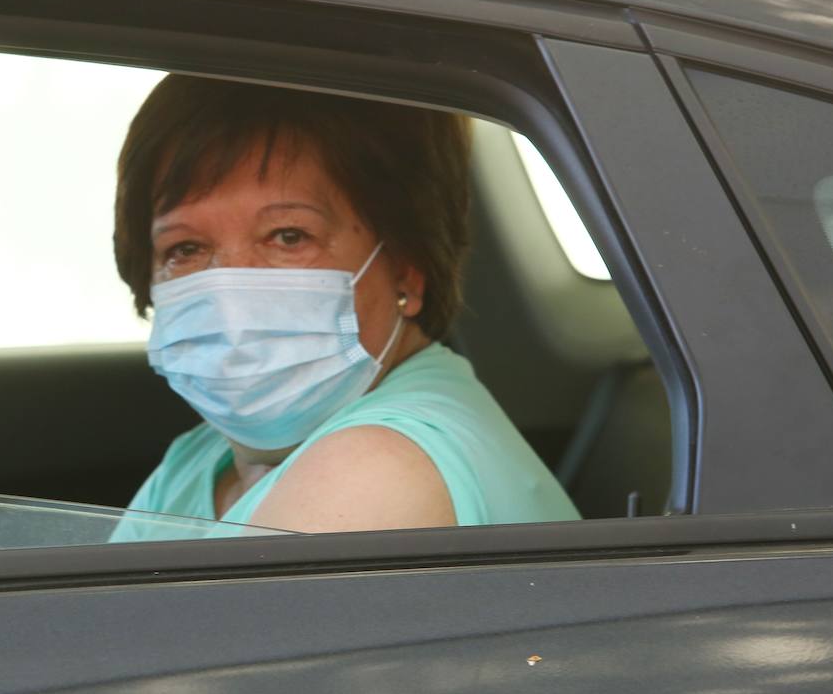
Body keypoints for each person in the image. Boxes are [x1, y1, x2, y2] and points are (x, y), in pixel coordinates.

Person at [111, 75, 578, 536]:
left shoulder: (377, 467)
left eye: (289, 237)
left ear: (406, 269)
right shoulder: (199, 460)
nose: (228, 289)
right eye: (186, 249)